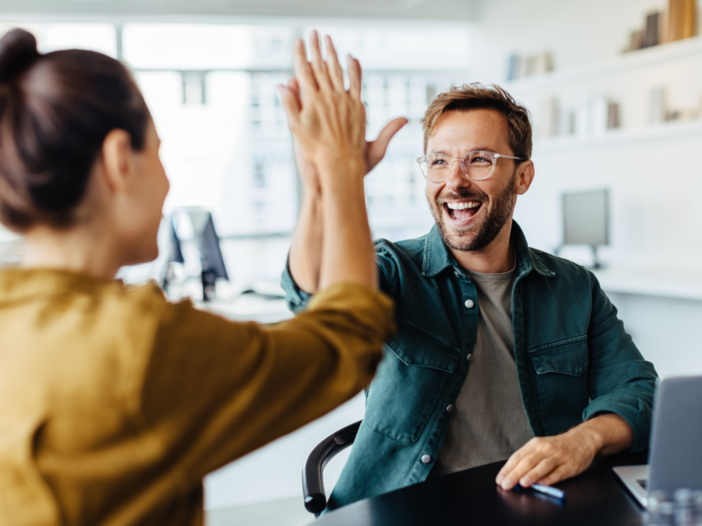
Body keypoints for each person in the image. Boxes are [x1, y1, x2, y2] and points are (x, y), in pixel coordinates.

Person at [0, 29, 395, 525]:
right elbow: (347, 341)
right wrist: (340, 171)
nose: (167, 183)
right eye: (159, 152)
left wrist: (321, 186)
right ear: (120, 160)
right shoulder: (136, 343)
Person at [282, 82, 659, 511]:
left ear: (523, 177)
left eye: (479, 160)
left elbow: (640, 391)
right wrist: (324, 184)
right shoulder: (392, 270)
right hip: (401, 510)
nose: (454, 182)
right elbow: (311, 294)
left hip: (531, 507)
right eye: (439, 162)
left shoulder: (574, 287)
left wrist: (584, 439)